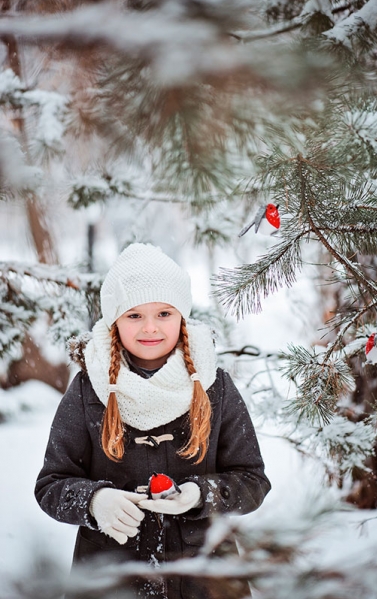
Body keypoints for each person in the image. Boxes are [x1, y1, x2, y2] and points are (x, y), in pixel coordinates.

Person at [35, 243, 271, 599]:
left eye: (164, 313)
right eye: (134, 315)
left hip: (205, 578)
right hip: (109, 578)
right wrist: (95, 502)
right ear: (114, 320)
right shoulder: (89, 387)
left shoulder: (213, 384)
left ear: (182, 317)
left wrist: (198, 495)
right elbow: (51, 485)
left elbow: (252, 480)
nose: (150, 328)